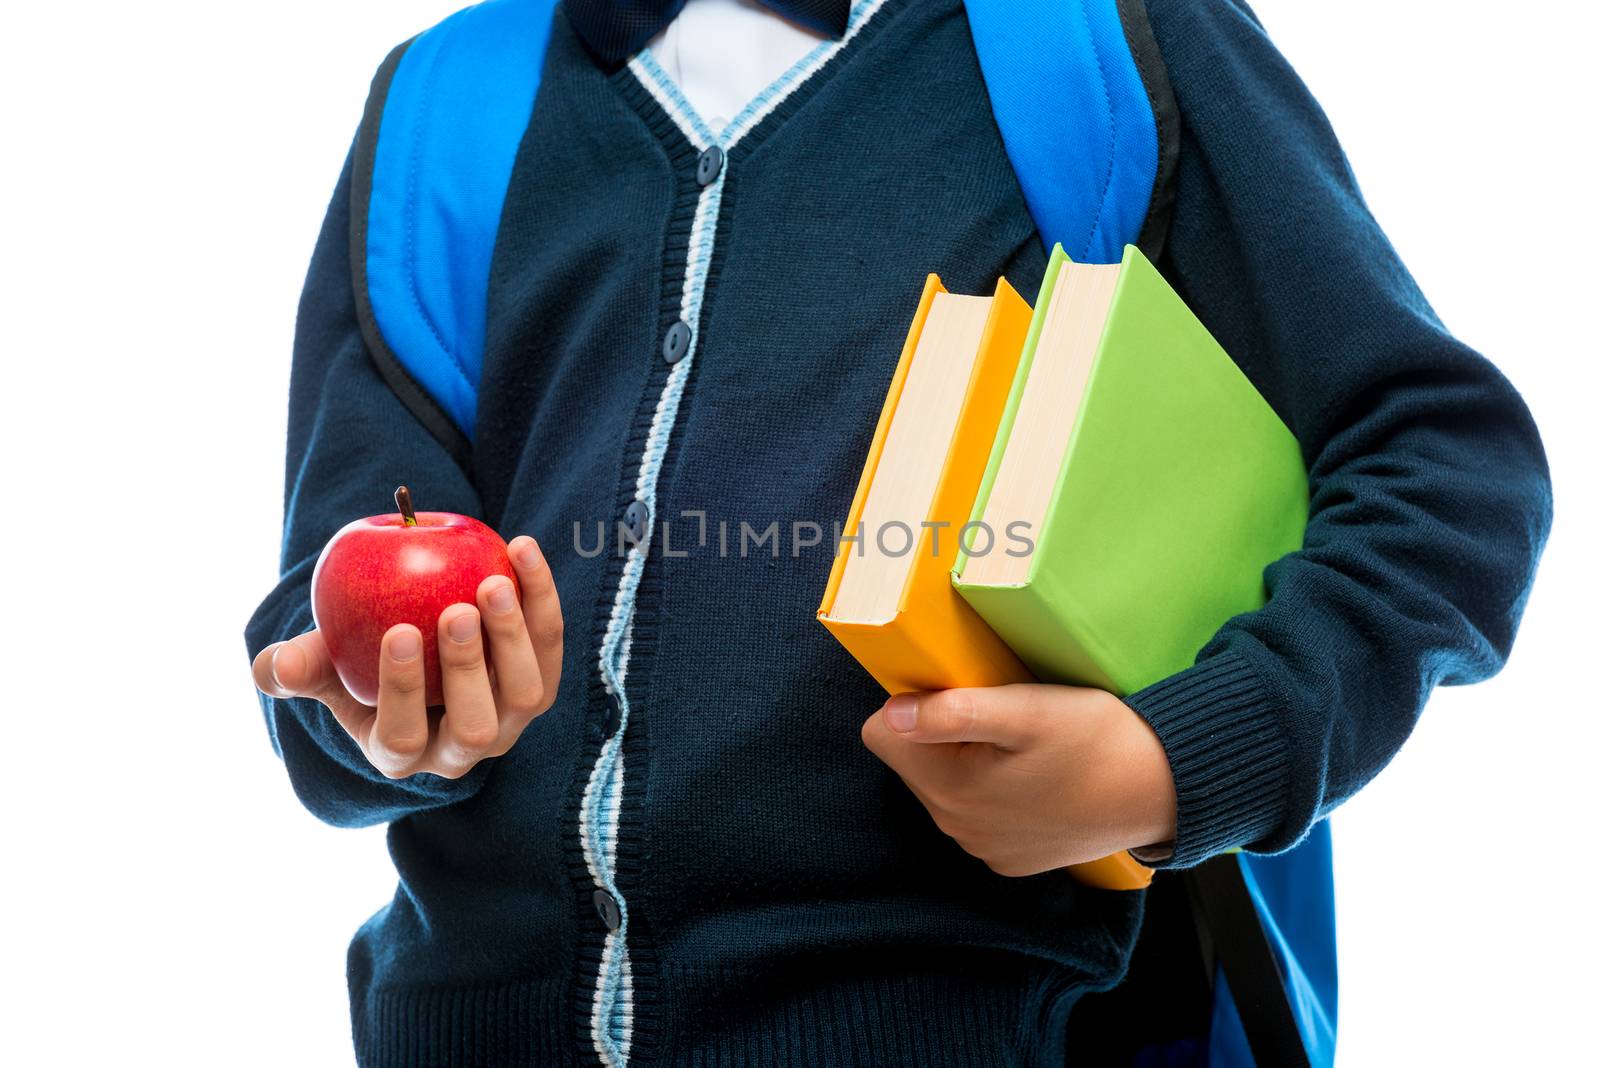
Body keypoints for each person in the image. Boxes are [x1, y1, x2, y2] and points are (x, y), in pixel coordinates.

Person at [245, 0, 1552, 1063]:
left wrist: (1166, 763)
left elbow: (1446, 473)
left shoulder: (1097, 37)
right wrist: (392, 718)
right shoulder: (441, 107)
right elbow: (330, 606)